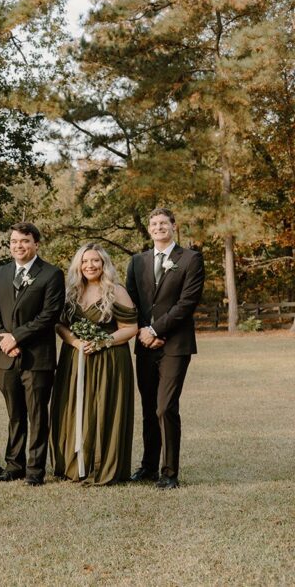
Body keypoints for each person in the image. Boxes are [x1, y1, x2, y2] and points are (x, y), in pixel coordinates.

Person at [125, 208, 205, 489]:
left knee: (165, 407)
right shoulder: (137, 261)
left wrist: (157, 330)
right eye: (154, 223)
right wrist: (143, 332)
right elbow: (130, 302)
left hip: (175, 344)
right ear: (149, 229)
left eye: (164, 223)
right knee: (148, 408)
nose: (159, 227)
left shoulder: (191, 259)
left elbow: (187, 303)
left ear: (174, 226)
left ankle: (169, 472)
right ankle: (148, 467)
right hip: (145, 344)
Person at [50, 244, 138, 485]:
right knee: (76, 407)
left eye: (95, 261)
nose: (90, 265)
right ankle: (75, 464)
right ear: (78, 265)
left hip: (109, 360)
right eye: (85, 261)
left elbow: (131, 328)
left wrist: (103, 342)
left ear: (104, 264)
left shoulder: (116, 291)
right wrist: (76, 342)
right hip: (75, 359)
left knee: (103, 409)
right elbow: (59, 325)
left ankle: (103, 465)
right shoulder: (71, 293)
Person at [0, 222, 65, 487]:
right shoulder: (1, 273)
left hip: (37, 357)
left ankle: (35, 470)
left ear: (36, 244)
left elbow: (49, 315)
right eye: (14, 241)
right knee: (14, 414)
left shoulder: (51, 274)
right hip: (7, 357)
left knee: (37, 414)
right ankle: (14, 465)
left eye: (24, 241)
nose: (19, 246)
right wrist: (4, 339)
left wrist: (17, 337)